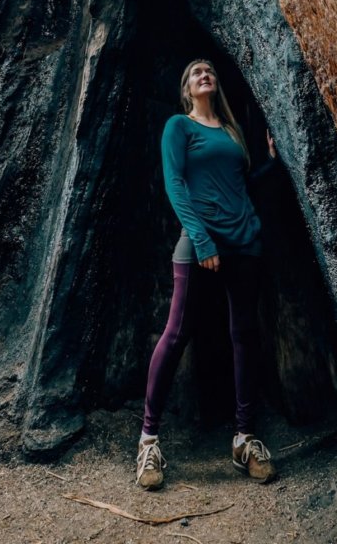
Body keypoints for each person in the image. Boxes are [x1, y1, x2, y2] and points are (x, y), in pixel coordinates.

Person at [136, 58, 278, 490]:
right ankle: (148, 440)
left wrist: (270, 163)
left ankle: (244, 437)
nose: (204, 74)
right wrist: (201, 240)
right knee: (176, 332)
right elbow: (175, 184)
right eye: (195, 72)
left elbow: (240, 184)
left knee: (245, 333)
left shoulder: (232, 133)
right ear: (186, 88)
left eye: (208, 71)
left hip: (244, 241)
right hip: (201, 240)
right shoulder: (179, 127)